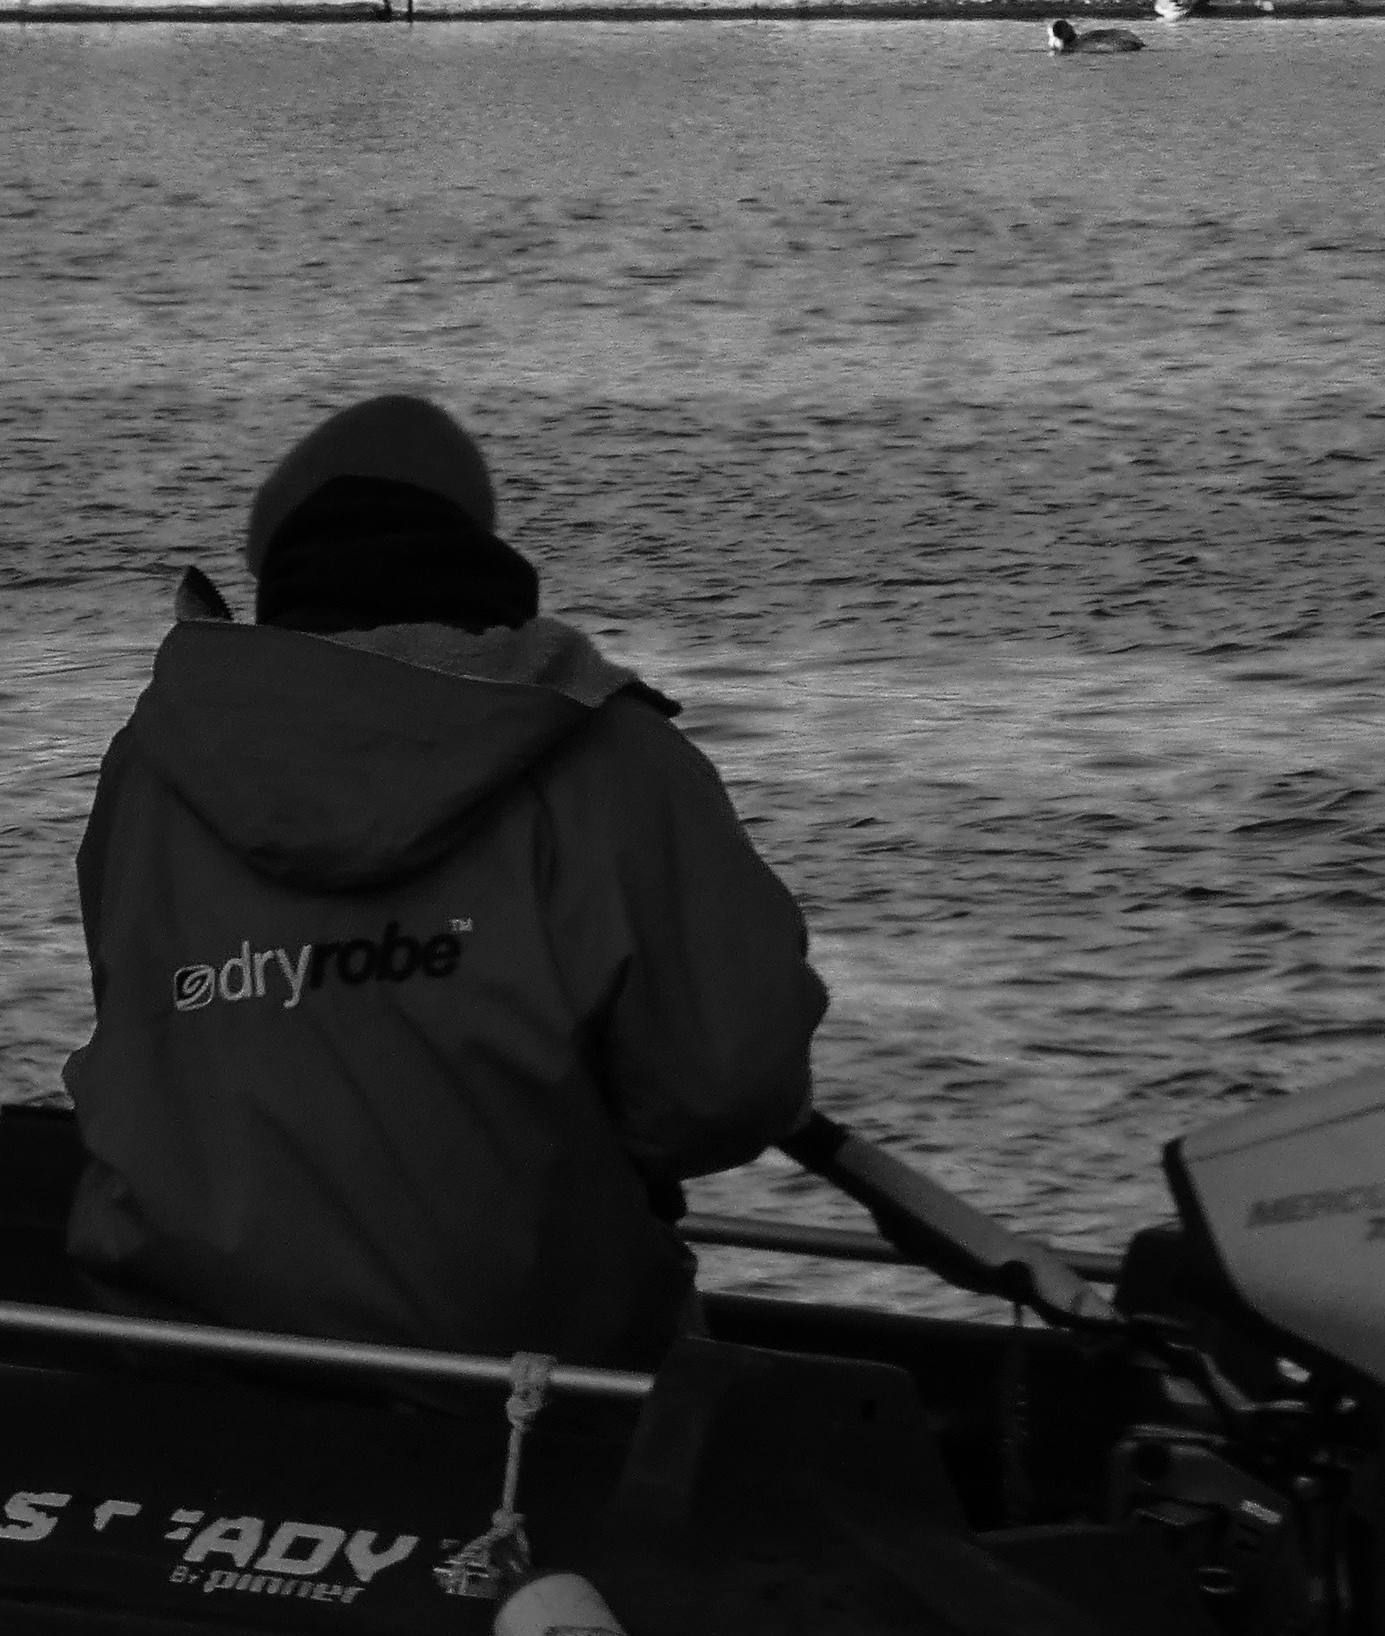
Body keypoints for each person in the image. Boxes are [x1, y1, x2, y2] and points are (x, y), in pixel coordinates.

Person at [59, 395, 827, 1375]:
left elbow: (139, 1019)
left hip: (174, 1344)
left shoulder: (151, 763)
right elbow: (726, 1089)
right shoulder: (615, 759)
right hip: (519, 1375)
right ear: (476, 546)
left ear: (275, 571)